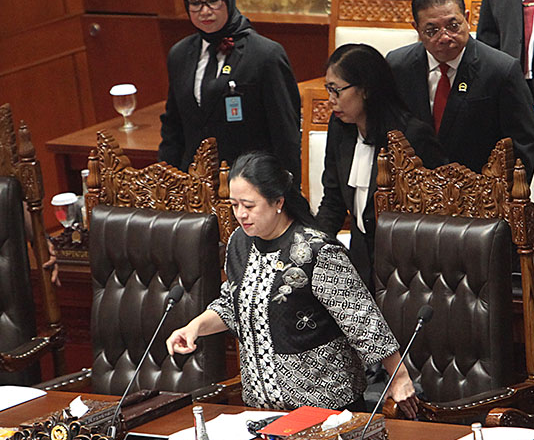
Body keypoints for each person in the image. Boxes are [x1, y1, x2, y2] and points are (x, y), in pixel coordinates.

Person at [167, 151, 418, 416]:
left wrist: (399, 375)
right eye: (234, 205)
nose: (240, 214)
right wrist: (194, 327)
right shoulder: (239, 243)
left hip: (326, 409)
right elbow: (233, 305)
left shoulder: (316, 250)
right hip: (262, 411)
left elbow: (362, 319)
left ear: (278, 201)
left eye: (249, 205)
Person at [316, 44, 447, 289]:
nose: (331, 100)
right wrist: (313, 246)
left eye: (336, 90)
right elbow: (333, 200)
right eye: (328, 90)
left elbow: (437, 212)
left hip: (408, 271)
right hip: (360, 262)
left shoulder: (411, 136)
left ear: (365, 90)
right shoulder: (340, 130)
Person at [159, 0, 301, 180]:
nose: (204, 11)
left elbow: (285, 133)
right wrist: (168, 181)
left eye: (213, 0)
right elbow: (173, 127)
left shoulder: (265, 55)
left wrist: (286, 193)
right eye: (195, 3)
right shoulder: (179, 54)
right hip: (194, 183)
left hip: (249, 184)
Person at [386, 0, 534, 179]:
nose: (445, 37)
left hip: (480, 197)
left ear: (467, 19)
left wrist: (500, 197)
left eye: (453, 26)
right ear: (416, 28)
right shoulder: (398, 66)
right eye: (432, 30)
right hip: (414, 195)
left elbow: (524, 145)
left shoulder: (501, 70)